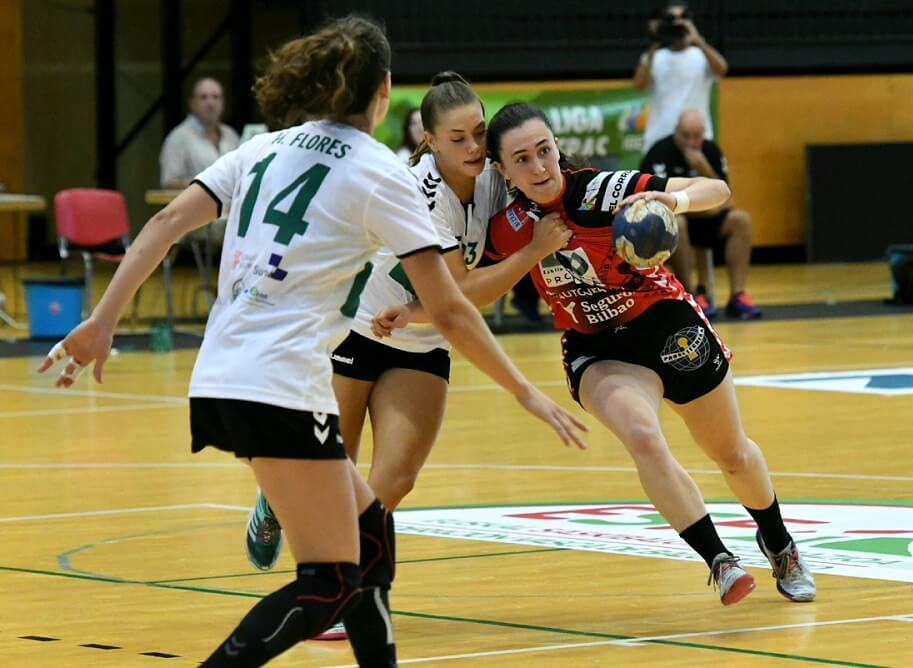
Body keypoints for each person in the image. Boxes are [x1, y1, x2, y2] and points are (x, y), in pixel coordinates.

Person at [37, 19, 586, 667]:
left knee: (371, 534)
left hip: (222, 374)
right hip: (285, 385)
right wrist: (525, 392)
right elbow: (451, 309)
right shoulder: (385, 173)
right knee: (326, 585)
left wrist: (103, 321)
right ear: (384, 92)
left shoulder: (263, 147)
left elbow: (163, 224)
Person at [378, 102, 815, 607]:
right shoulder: (509, 227)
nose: (539, 167)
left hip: (664, 325)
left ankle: (779, 542)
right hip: (597, 347)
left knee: (731, 452)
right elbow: (470, 292)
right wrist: (415, 311)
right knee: (642, 436)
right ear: (501, 169)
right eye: (522, 159)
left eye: (545, 151)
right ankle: (719, 561)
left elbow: (719, 191)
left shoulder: (600, 191)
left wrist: (670, 204)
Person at [244, 70, 573, 642]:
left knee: (391, 481)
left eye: (478, 134)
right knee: (326, 482)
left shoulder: (495, 178)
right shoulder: (416, 191)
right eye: (457, 139)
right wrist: (532, 254)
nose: (473, 148)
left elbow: (548, 188)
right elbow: (460, 294)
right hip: (357, 330)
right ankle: (276, 500)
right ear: (429, 141)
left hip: (421, 342)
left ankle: (339, 595)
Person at [641, 109, 761, 319]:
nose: (692, 142)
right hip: (676, 222)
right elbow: (656, 203)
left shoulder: (711, 152)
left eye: (697, 136)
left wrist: (703, 167)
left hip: (707, 221)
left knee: (741, 220)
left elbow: (727, 198)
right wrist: (706, 208)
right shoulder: (659, 153)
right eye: (685, 135)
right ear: (676, 131)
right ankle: (689, 295)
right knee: (678, 222)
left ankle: (738, 295)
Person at [633, 1, 727, 156]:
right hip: (659, 138)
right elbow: (639, 85)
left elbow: (722, 69)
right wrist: (656, 40)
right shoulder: (654, 57)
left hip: (696, 139)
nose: (677, 25)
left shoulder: (702, 56)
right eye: (671, 21)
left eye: (682, 20)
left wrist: (697, 40)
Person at [160, 77, 240, 188]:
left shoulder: (231, 135)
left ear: (223, 103)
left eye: (216, 97)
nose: (211, 103)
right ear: (192, 103)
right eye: (204, 97)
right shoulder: (178, 137)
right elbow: (169, 183)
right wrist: (207, 185)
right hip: (193, 204)